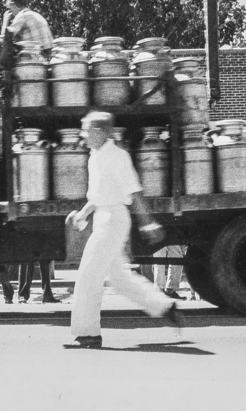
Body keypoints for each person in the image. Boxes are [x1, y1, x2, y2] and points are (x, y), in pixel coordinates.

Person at [65, 112, 182, 349]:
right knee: (119, 278)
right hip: (103, 217)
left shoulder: (117, 156)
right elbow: (98, 195)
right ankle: (163, 306)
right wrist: (83, 214)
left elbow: (134, 192)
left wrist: (148, 223)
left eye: (85, 130)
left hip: (113, 219)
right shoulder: (95, 156)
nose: (82, 135)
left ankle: (88, 334)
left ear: (99, 132)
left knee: (89, 276)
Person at [0, 0, 54, 72]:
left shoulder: (22, 15)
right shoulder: (35, 14)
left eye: (10, 8)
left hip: (34, 54)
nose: (11, 12)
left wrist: (5, 21)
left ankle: (2, 75)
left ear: (14, 5)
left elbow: (5, 37)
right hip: (46, 55)